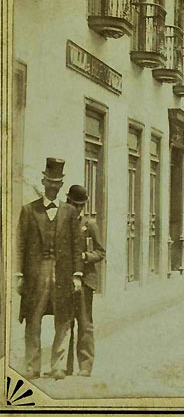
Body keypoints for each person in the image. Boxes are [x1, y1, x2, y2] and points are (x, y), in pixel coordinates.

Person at [15, 158, 83, 380]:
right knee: (33, 318)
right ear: (43, 181)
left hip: (62, 273)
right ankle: (32, 365)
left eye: (57, 183)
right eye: (50, 182)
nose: (53, 186)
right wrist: (19, 274)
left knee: (63, 320)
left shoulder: (70, 213)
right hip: (36, 274)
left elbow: (76, 246)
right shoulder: (29, 211)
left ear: (62, 184)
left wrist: (77, 274)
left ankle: (58, 366)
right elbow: (20, 245)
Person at [65, 185, 106, 377]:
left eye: (81, 206)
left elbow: (101, 252)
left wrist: (84, 256)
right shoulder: (62, 223)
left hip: (86, 281)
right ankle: (66, 365)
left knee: (84, 322)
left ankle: (85, 365)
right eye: (74, 204)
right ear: (68, 202)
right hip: (65, 280)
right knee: (65, 322)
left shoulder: (90, 225)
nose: (77, 209)